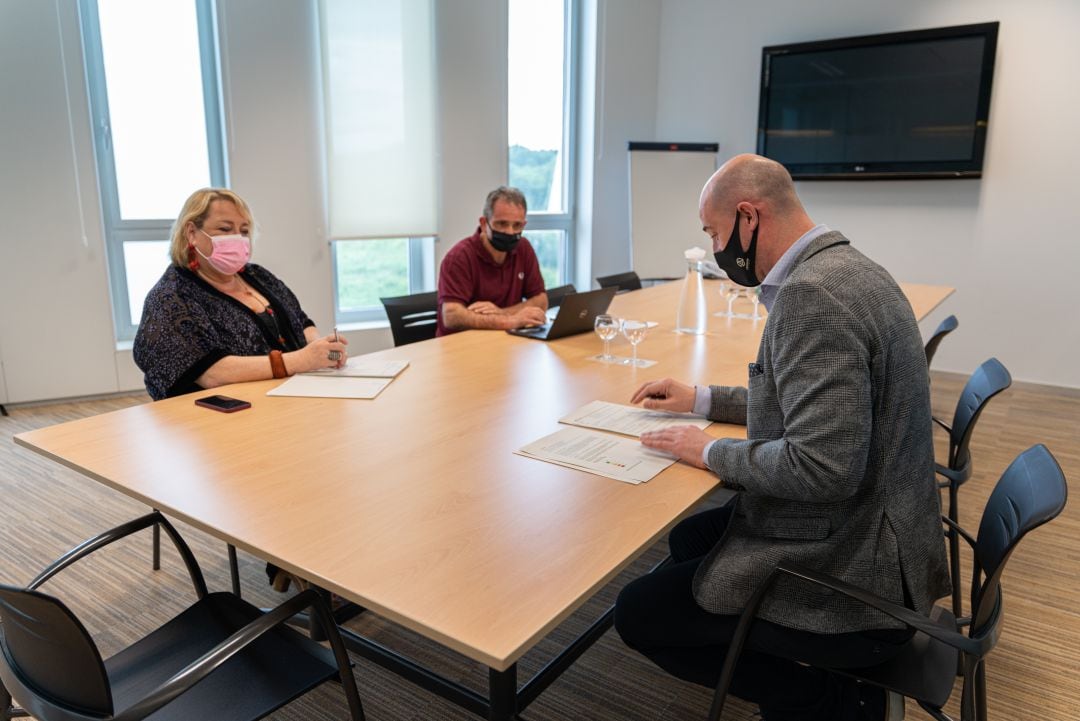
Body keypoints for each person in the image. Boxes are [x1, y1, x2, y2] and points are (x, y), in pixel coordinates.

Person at [613, 155, 950, 721]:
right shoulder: (849, 269)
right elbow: (806, 403)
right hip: (888, 533)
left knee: (636, 612)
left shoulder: (812, 299)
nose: (717, 249)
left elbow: (823, 467)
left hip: (859, 573)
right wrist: (700, 399)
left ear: (749, 217)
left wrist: (710, 450)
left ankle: (830, 700)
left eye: (714, 232)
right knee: (693, 538)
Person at [134, 187, 348, 401]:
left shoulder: (257, 275)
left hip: (293, 399)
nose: (237, 238)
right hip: (222, 418)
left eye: (244, 231)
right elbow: (211, 373)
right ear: (192, 234)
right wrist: (301, 360)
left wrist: (321, 349)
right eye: (225, 229)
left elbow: (300, 321)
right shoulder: (169, 297)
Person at [436, 186, 548, 336]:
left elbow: (541, 300)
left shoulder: (523, 248)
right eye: (502, 224)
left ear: (524, 225)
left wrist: (501, 313)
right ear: (483, 223)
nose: (510, 232)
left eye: (517, 225)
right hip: (460, 346)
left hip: (505, 343)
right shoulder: (459, 257)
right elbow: (451, 316)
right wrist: (510, 321)